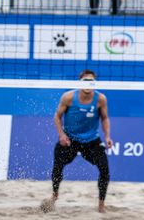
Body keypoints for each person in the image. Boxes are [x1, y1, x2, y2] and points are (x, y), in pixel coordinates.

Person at [40, 70, 112, 214]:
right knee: (57, 167)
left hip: (91, 141)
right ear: (79, 82)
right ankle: (54, 196)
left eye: (91, 81)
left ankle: (101, 205)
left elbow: (104, 118)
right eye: (85, 81)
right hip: (70, 139)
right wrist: (61, 135)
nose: (88, 84)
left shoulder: (101, 99)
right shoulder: (68, 97)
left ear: (94, 83)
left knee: (105, 170)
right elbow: (57, 117)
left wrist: (108, 137)